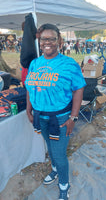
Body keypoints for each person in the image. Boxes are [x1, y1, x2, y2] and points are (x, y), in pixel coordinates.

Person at [25, 23, 86, 200]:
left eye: (52, 38)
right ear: (39, 41)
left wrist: (73, 117)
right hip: (40, 117)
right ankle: (54, 170)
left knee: (59, 155)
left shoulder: (68, 64)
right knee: (50, 148)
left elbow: (79, 89)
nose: (47, 42)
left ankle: (64, 186)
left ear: (59, 41)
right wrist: (29, 110)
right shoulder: (35, 63)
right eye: (44, 39)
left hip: (60, 119)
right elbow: (30, 87)